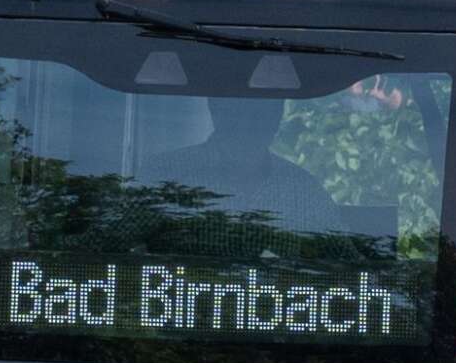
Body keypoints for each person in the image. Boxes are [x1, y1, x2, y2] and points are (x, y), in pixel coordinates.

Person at [139, 96, 342, 249]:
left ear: (277, 115)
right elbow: (116, 246)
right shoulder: (162, 174)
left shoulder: (305, 191)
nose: (248, 124)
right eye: (239, 110)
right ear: (215, 107)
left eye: (262, 112)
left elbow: (349, 268)